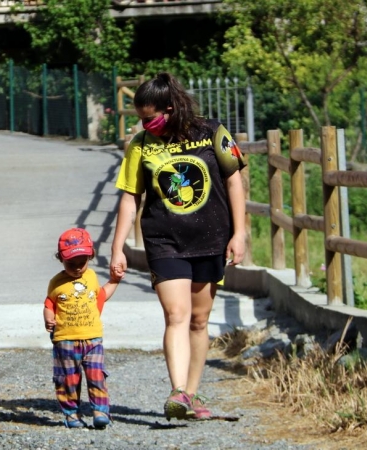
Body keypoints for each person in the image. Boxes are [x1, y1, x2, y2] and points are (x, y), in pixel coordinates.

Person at [109, 72, 246, 420]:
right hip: (164, 241)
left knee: (199, 320)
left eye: (148, 116)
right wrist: (117, 247)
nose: (144, 123)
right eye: (140, 117)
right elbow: (130, 198)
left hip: (210, 237)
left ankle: (193, 395)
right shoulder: (141, 144)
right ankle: (178, 391)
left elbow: (234, 183)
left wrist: (239, 233)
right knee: (176, 315)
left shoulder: (214, 133)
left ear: (170, 109)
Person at [43, 228, 120, 429]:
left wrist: (115, 281)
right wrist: (48, 318)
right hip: (65, 339)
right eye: (71, 264)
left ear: (91, 256)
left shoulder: (92, 277)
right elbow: (49, 303)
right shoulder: (56, 282)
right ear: (61, 259)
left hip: (92, 338)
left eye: (82, 263)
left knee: (96, 375)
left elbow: (101, 296)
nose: (77, 268)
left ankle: (100, 411)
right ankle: (71, 414)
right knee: (68, 379)